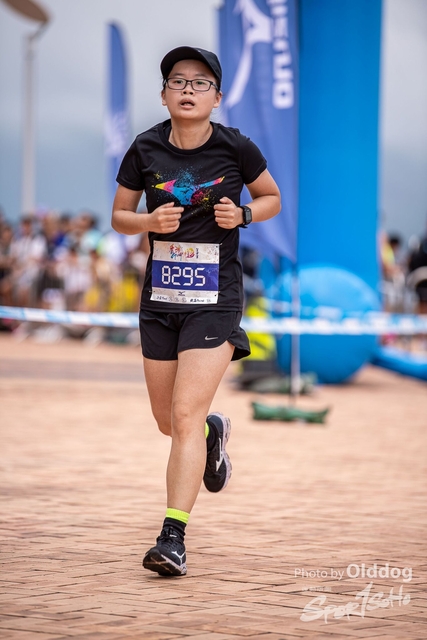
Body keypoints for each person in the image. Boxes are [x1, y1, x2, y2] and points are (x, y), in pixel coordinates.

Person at [111, 46, 281, 577]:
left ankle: (173, 538)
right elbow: (119, 215)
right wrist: (148, 223)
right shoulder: (145, 147)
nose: (188, 89)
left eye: (200, 82)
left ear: (217, 97)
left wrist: (244, 214)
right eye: (178, 81)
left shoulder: (237, 147)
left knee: (183, 415)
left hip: (215, 299)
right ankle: (212, 434)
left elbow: (272, 197)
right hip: (161, 300)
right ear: (164, 94)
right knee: (169, 422)